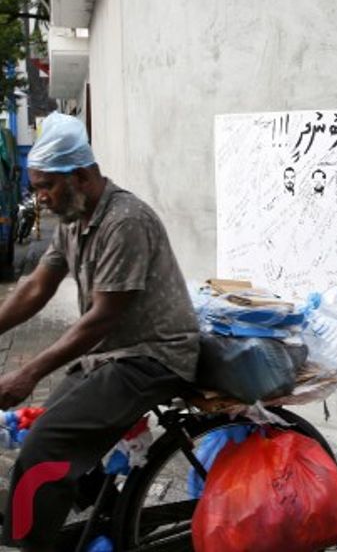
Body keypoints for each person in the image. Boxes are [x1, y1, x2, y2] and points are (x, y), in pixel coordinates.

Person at [0, 113, 200, 549]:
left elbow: (102, 319)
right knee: (45, 433)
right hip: (111, 355)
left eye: (46, 186)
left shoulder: (124, 220)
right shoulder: (74, 220)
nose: (41, 198)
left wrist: (28, 373)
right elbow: (37, 285)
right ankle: (91, 522)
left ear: (82, 175)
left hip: (152, 357)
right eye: (37, 188)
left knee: (44, 451)